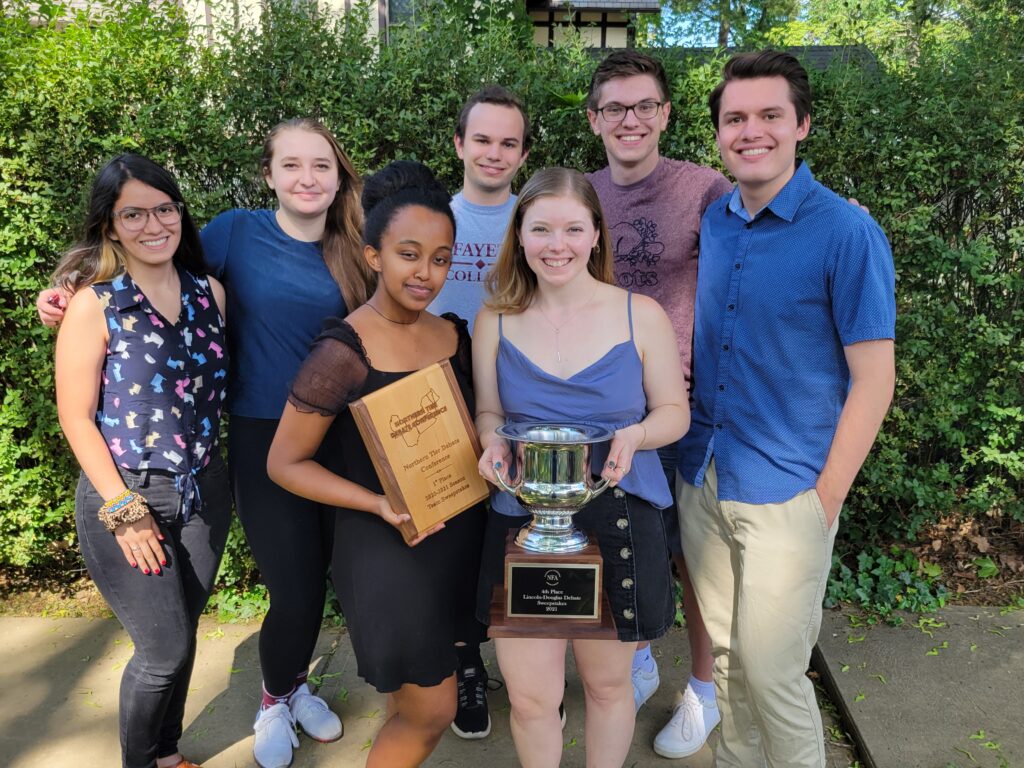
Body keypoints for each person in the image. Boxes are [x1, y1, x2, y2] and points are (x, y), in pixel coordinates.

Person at [39, 118, 368, 768]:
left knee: (328, 581)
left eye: (321, 165)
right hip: (259, 438)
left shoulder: (354, 247)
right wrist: (72, 289)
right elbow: (141, 262)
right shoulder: (235, 233)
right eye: (292, 164)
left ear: (339, 176)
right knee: (292, 588)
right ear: (268, 174)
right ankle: (272, 700)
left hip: (335, 440)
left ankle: (291, 688)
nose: (307, 177)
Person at [677, 51, 896, 768]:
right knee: (731, 666)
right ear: (717, 134)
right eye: (735, 118)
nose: (751, 131)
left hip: (788, 494)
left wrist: (823, 499)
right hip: (705, 478)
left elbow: (874, 380)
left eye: (770, 115)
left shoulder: (846, 232)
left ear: (801, 124)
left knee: (774, 678)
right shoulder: (716, 222)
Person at [267, 160, 486, 768]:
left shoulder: (453, 335)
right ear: (373, 257)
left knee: (405, 706)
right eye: (409, 254)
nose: (426, 273)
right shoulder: (343, 350)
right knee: (433, 710)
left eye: (441, 258)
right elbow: (284, 463)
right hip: (387, 549)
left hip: (452, 540)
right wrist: (376, 503)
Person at [473, 167, 690, 768]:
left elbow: (676, 412)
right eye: (541, 229)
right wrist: (491, 444)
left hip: (619, 516)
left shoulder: (639, 314)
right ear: (520, 236)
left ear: (597, 233)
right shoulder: (494, 317)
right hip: (524, 521)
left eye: (573, 228)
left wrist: (638, 433)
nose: (557, 244)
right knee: (531, 697)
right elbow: (489, 411)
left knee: (608, 687)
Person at [53, 153, 231, 768]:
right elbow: (75, 416)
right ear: (110, 226)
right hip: (127, 493)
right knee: (161, 652)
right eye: (134, 214)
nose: (154, 224)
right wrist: (124, 509)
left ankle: (168, 754)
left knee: (181, 643)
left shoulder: (211, 293)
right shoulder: (94, 305)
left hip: (206, 489)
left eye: (164, 208)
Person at [584, 49, 732, 758]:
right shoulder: (579, 195)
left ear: (666, 113)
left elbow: (767, 224)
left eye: (645, 105)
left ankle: (703, 689)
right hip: (604, 415)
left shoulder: (702, 189)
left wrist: (838, 213)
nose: (631, 119)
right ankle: (637, 659)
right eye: (615, 107)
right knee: (619, 547)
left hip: (686, 410)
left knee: (693, 559)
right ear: (594, 120)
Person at [428, 84, 531, 739]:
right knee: (452, 542)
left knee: (515, 537)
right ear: (460, 144)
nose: (495, 153)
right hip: (439, 394)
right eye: (483, 139)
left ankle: (527, 663)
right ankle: (465, 665)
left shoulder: (534, 217)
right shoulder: (433, 217)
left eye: (509, 142)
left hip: (521, 395)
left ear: (523, 153)